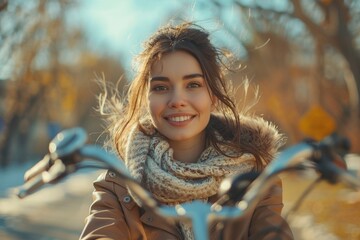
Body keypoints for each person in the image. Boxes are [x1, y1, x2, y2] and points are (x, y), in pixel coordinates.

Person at [80, 22, 293, 240]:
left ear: (214, 96)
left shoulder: (253, 176)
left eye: (193, 85)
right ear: (147, 98)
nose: (177, 101)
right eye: (161, 88)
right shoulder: (119, 185)